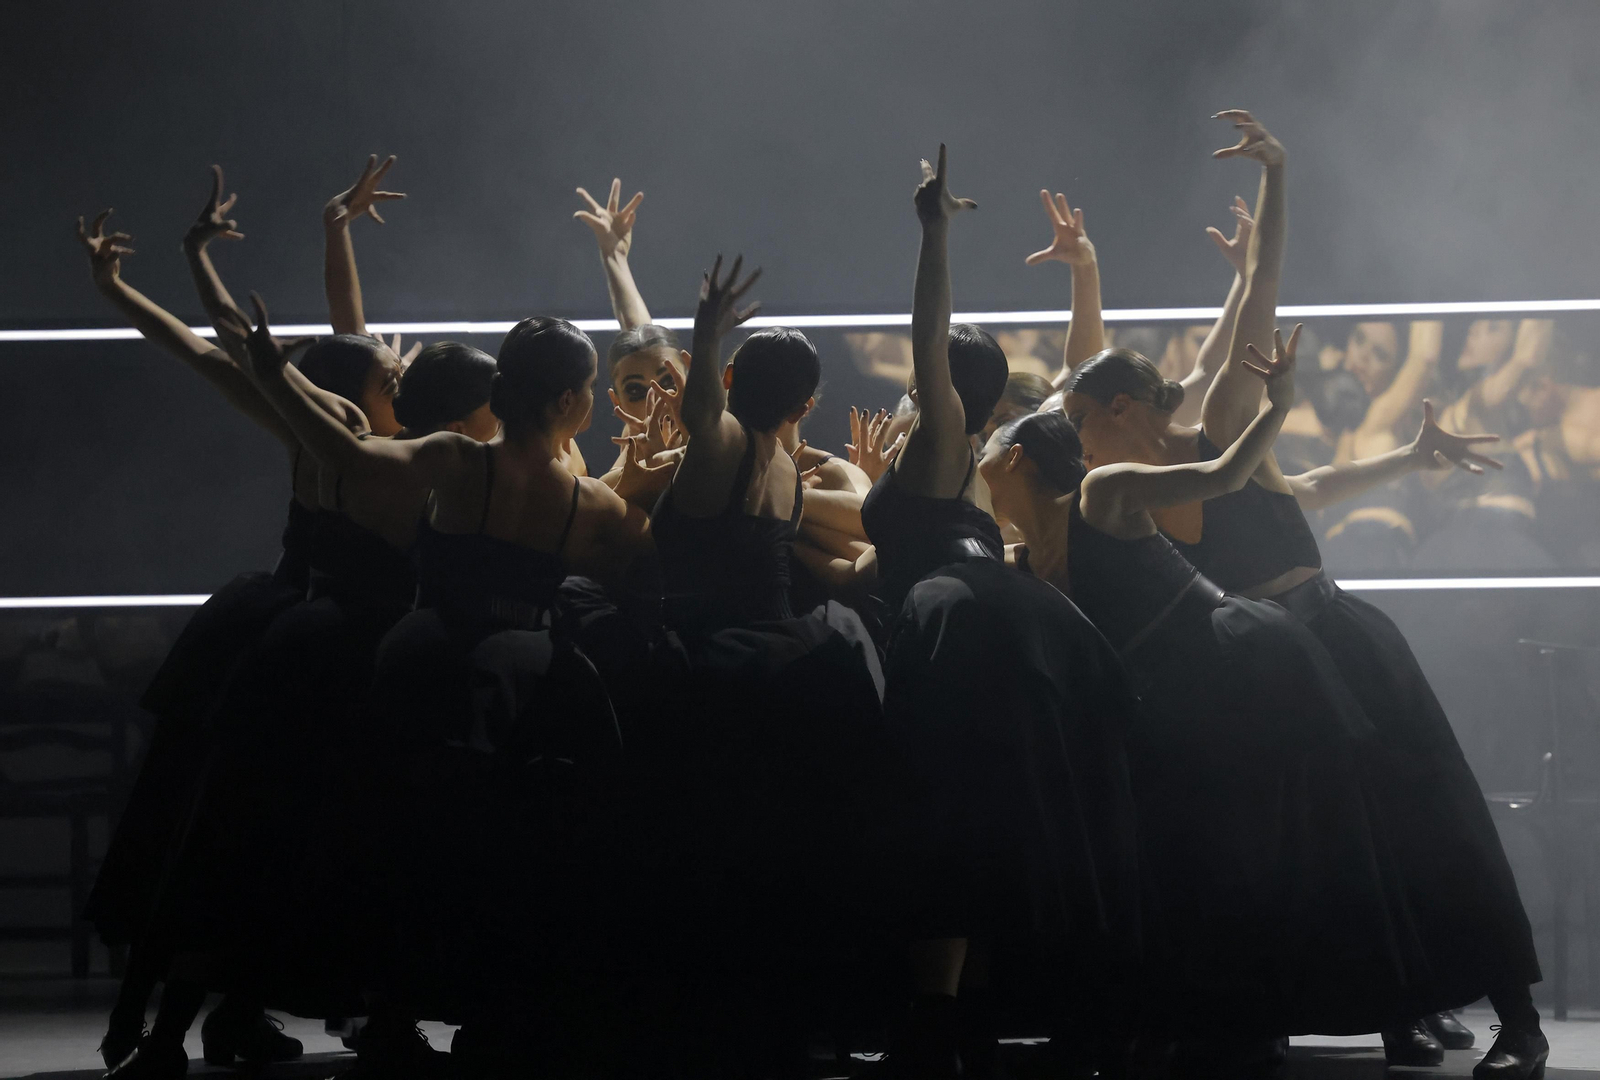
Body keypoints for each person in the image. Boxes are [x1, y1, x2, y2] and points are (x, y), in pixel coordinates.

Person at [1062, 109, 1546, 1080]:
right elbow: (1303, 484)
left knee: (1430, 821)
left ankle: (1512, 1021)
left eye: (1085, 415)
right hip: (1253, 669)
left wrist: (1277, 178)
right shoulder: (1129, 487)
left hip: (1335, 640)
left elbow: (1263, 307)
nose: (1070, 431)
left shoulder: (1220, 428)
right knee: (1335, 852)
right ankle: (1394, 1013)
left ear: (1121, 412)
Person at [988, 330, 1490, 1069]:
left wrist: (1281, 401)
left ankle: (1392, 1008)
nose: (1076, 429)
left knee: (1321, 835)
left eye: (1079, 414)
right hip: (1193, 692)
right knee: (1237, 854)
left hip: (1247, 660)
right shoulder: (1041, 541)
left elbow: (1234, 473)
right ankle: (1238, 1019)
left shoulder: (1113, 483)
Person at [861, 146, 1140, 1079]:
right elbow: (1077, 373)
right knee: (991, 814)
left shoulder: (947, 437)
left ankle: (939, 1020)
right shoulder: (991, 447)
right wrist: (1086, 276)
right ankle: (976, 1010)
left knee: (940, 813)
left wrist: (933, 235)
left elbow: (927, 327)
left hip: (963, 619)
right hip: (1000, 616)